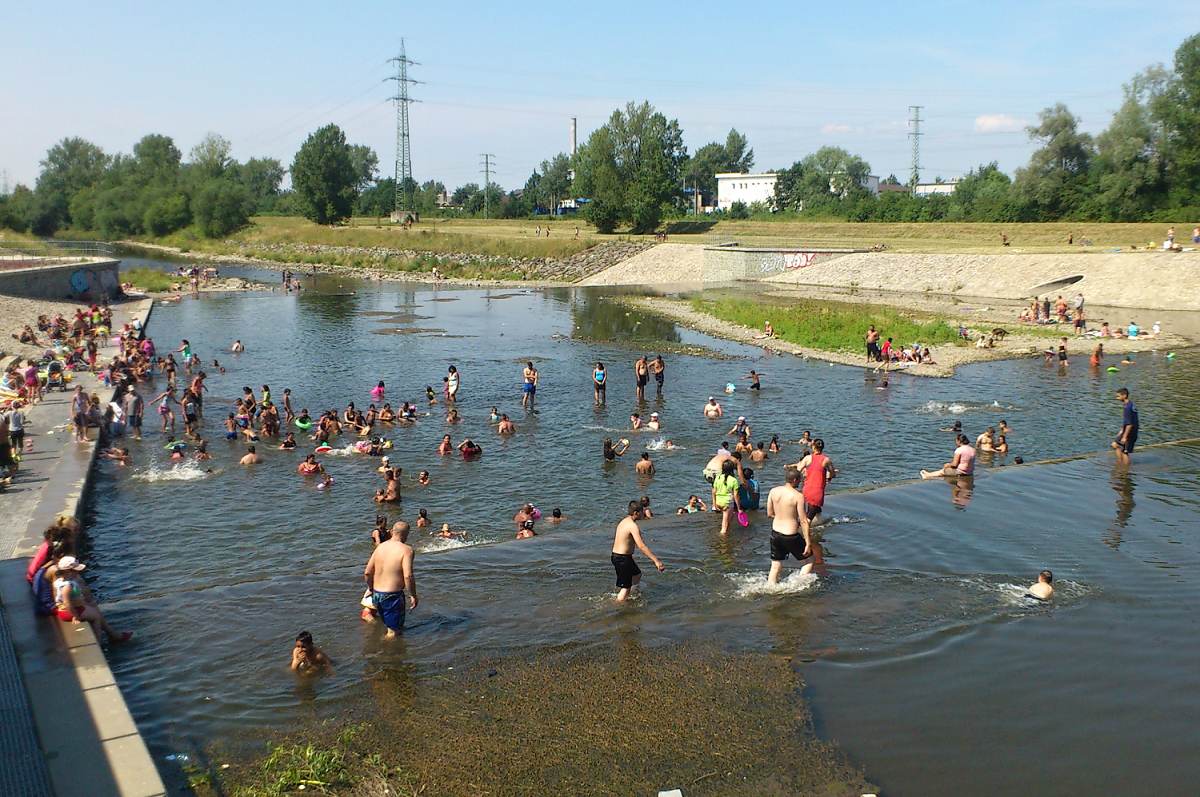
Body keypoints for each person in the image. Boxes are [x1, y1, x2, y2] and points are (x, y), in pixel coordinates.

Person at [53, 556, 132, 643]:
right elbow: (67, 603)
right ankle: (99, 642)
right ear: (68, 572)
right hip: (69, 612)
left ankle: (113, 636)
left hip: (71, 609)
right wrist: (76, 616)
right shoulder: (67, 586)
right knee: (96, 617)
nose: (78, 572)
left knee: (94, 610)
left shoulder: (60, 581)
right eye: (76, 571)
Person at [364, 521, 417, 638]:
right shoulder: (407, 550)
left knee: (391, 627)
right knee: (393, 632)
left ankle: (382, 648)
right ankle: (386, 653)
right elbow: (408, 575)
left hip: (377, 594)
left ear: (392, 531)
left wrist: (371, 588)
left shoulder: (380, 547)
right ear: (406, 534)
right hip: (392, 596)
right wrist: (413, 595)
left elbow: (367, 572)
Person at [766, 468, 816, 583]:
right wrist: (808, 543)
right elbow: (804, 521)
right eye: (799, 480)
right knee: (810, 560)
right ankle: (796, 584)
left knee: (775, 565)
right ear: (794, 480)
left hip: (775, 533)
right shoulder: (798, 496)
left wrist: (781, 516)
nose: (800, 483)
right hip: (790, 535)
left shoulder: (773, 491)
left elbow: (769, 514)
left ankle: (770, 588)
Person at [611, 500, 665, 602]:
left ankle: (631, 595)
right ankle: (617, 606)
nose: (643, 514)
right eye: (642, 512)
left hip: (619, 557)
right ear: (636, 513)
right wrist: (656, 561)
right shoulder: (633, 526)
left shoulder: (624, 521)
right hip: (622, 559)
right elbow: (641, 546)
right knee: (625, 587)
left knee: (637, 575)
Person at [794, 440, 835, 553]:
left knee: (814, 509)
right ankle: (796, 531)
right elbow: (832, 473)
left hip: (806, 489)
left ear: (813, 447)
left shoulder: (808, 458)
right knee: (808, 518)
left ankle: (818, 523)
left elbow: (797, 470)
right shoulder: (826, 460)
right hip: (817, 492)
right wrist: (830, 476)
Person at [711, 459, 742, 536]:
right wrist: (739, 508)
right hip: (727, 503)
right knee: (724, 528)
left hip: (718, 502)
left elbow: (713, 492)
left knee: (728, 521)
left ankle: (726, 537)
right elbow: (736, 496)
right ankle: (722, 543)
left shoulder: (717, 478)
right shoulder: (734, 480)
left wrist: (714, 504)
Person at [1112, 387, 1138, 465]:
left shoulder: (1128, 407)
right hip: (1129, 430)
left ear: (1124, 395)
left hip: (1130, 432)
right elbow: (1128, 421)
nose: (1117, 398)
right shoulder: (1129, 404)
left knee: (1124, 451)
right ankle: (1121, 463)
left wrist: (1124, 436)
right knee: (1116, 445)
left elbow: (1129, 424)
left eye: (1118, 396)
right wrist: (1121, 430)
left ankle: (1124, 467)